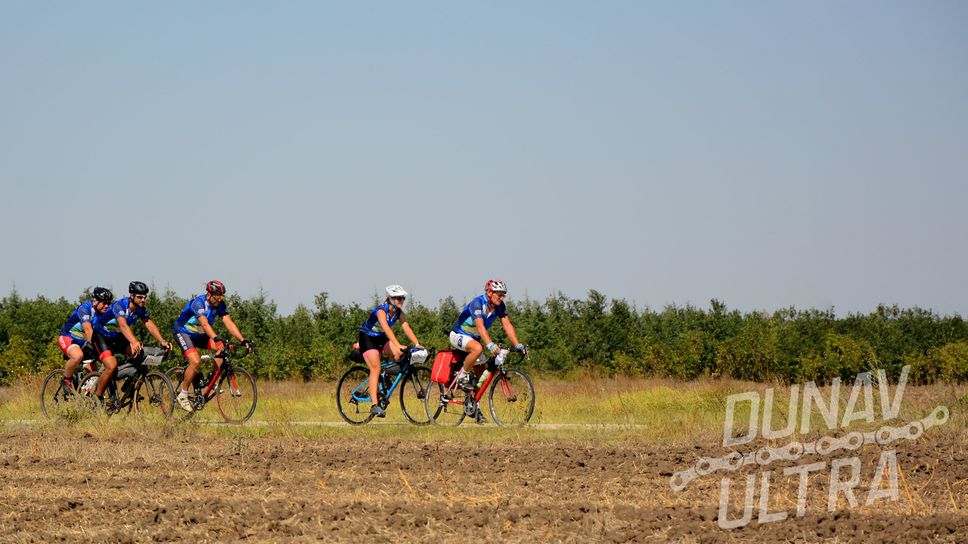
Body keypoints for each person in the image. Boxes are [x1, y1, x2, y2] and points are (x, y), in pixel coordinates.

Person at [172, 280, 253, 412]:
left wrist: (242, 340)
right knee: (195, 361)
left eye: (222, 297)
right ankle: (183, 394)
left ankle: (211, 381)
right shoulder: (198, 303)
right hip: (183, 332)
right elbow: (204, 324)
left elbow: (229, 323)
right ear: (209, 294)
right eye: (217, 297)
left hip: (198, 334)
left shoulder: (219, 305)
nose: (220, 300)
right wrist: (216, 338)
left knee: (223, 348)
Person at [91, 281, 173, 404]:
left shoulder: (140, 309)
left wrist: (162, 341)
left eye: (145, 297)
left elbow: (149, 324)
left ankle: (127, 386)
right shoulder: (120, 305)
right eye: (140, 297)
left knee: (138, 353)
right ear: (132, 295)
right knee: (111, 365)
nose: (143, 300)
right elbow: (123, 326)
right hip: (101, 336)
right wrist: (134, 341)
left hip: (116, 337)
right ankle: (97, 397)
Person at [357, 285, 423, 417]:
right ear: (390, 298)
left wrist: (417, 344)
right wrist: (398, 344)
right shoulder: (381, 311)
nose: (401, 300)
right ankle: (374, 405)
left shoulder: (399, 313)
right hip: (367, 338)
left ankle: (386, 375)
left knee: (400, 353)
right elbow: (387, 329)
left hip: (380, 338)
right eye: (398, 298)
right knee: (375, 368)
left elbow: (406, 327)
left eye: (403, 298)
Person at [449, 280, 527, 391]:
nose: (502, 298)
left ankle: (473, 401)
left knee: (481, 375)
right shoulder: (478, 303)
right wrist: (490, 344)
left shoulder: (499, 306)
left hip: (473, 339)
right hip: (458, 334)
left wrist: (517, 344)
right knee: (478, 349)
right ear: (490, 293)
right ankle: (461, 376)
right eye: (499, 295)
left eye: (503, 295)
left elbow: (507, 325)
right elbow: (480, 326)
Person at [57, 287, 113, 391]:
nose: (107, 306)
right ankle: (66, 379)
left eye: (109, 303)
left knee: (94, 376)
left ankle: (87, 395)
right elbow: (88, 330)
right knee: (78, 356)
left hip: (84, 342)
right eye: (104, 303)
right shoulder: (85, 309)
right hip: (68, 337)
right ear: (95, 301)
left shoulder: (105, 312)